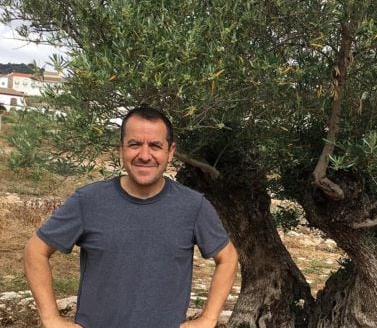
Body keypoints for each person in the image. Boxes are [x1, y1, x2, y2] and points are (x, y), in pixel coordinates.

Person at [24, 106, 238, 328]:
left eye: (155, 146)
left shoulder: (194, 206)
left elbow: (228, 258)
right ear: (121, 149)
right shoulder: (88, 201)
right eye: (135, 144)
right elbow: (35, 251)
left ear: (170, 152)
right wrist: (50, 318)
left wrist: (208, 318)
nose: (144, 155)